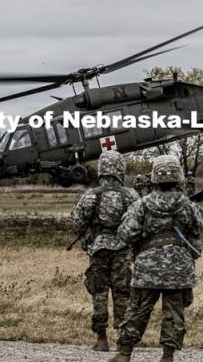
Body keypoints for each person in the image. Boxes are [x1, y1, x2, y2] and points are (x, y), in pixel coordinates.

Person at [111, 155, 203, 362]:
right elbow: (198, 230)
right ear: (179, 177)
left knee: (137, 310)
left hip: (147, 267)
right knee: (174, 313)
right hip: (179, 268)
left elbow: (125, 234)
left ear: (154, 177)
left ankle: (124, 353)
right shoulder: (188, 205)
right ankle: (167, 356)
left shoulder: (142, 205)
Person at [71, 151, 139, 352]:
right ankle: (121, 339)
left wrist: (88, 238)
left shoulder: (92, 194)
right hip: (122, 251)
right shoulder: (131, 195)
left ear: (101, 169)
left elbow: (77, 220)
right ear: (120, 169)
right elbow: (138, 223)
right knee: (122, 294)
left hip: (98, 249)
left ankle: (101, 339)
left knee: (99, 293)